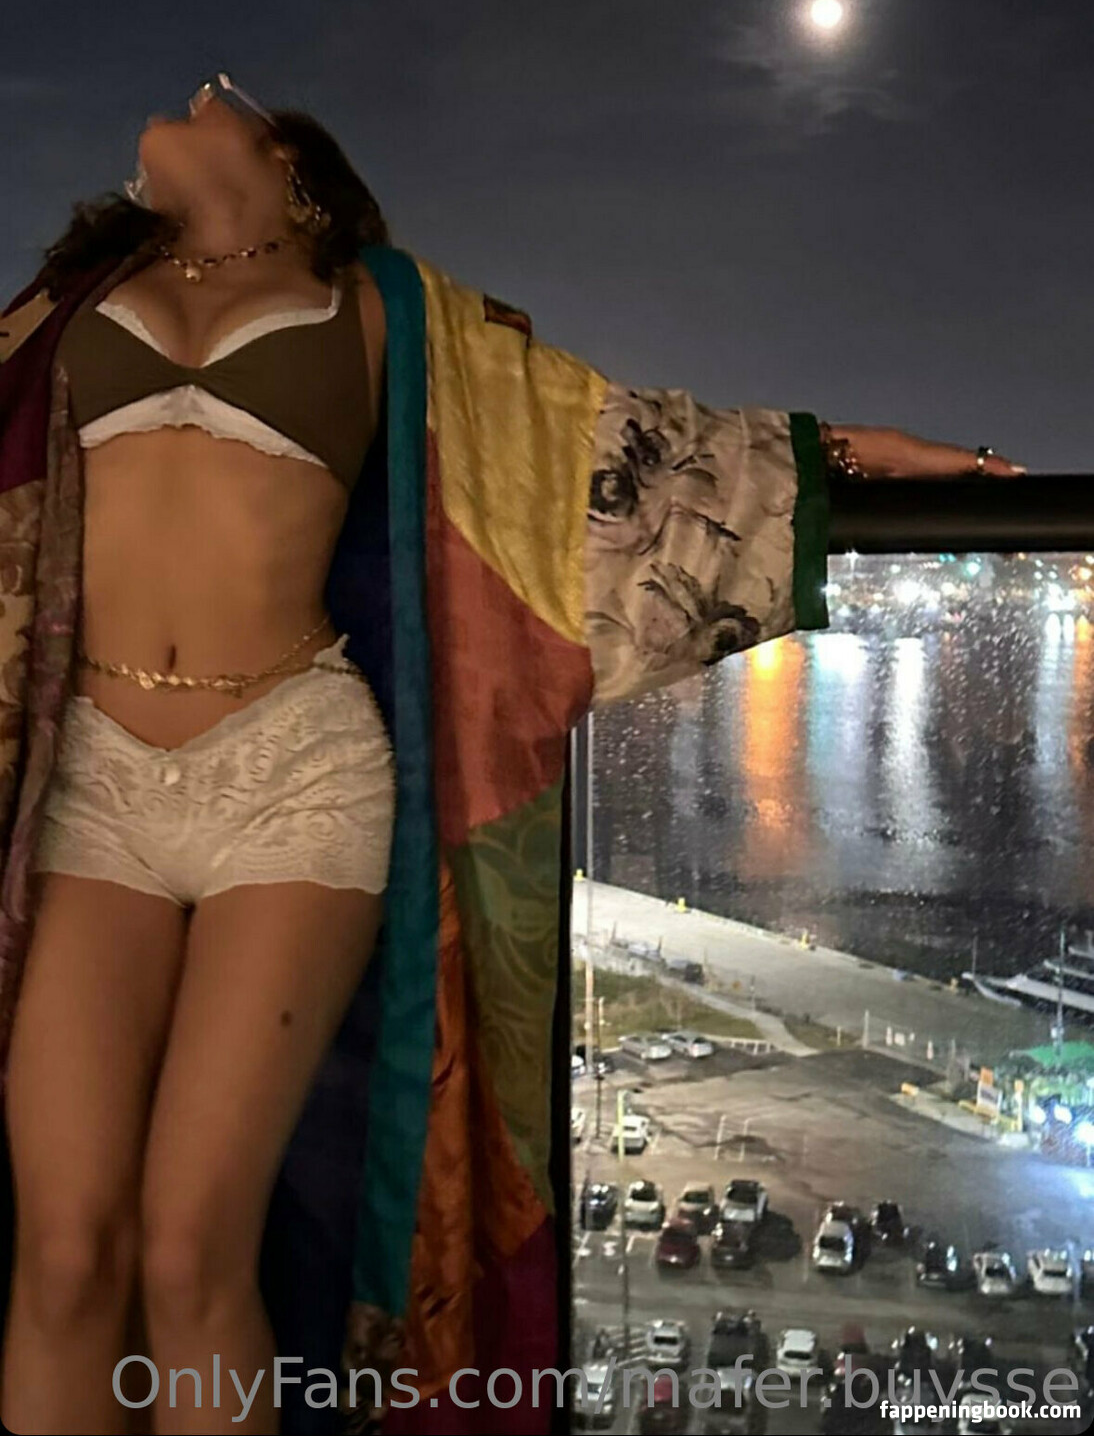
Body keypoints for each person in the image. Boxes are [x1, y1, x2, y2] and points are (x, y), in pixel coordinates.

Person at [0, 74, 1022, 1436]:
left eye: (228, 97)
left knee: (192, 1249)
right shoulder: (72, 302)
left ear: (291, 166)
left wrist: (845, 456)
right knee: (66, 1249)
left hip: (289, 777)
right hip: (96, 779)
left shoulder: (380, 306)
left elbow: (611, 456)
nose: (196, 90)